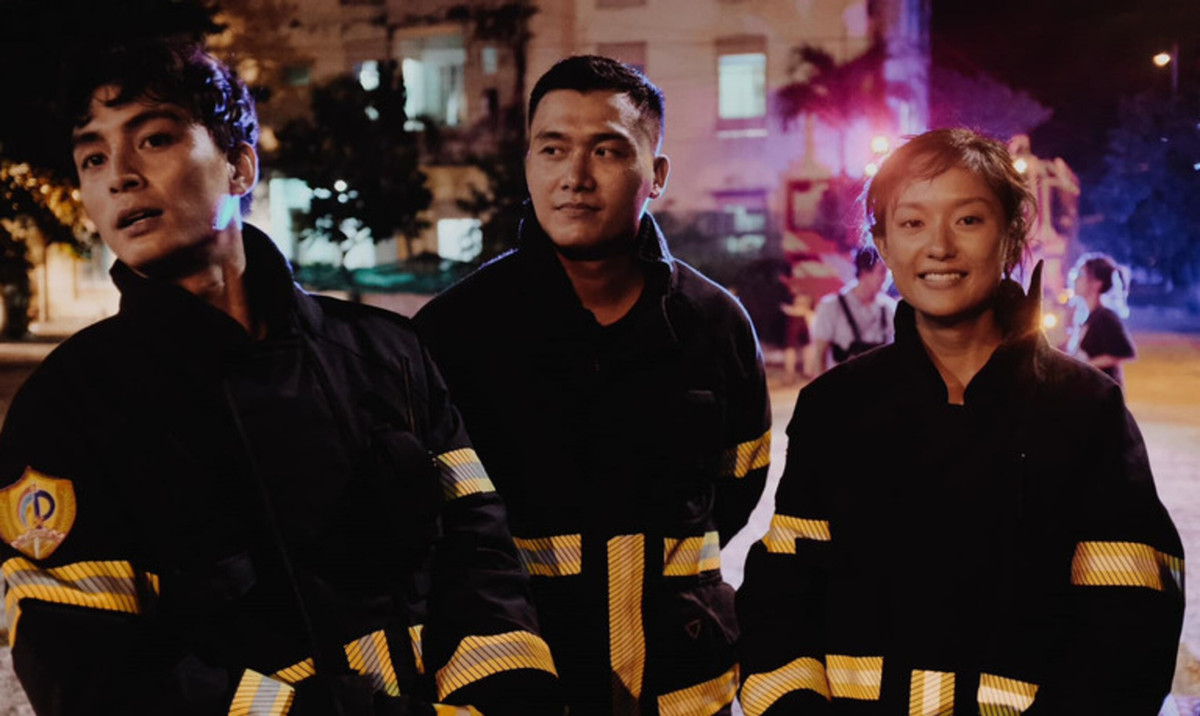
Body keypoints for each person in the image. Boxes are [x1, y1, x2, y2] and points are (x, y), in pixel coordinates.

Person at [0, 41, 559, 715]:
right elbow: (91, 671)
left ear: (240, 166)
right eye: (93, 158)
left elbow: (480, 554)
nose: (119, 175)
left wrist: (501, 701)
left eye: (153, 140)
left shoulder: (387, 354)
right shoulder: (66, 410)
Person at [737, 128, 1183, 715]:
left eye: (968, 220)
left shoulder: (1084, 410)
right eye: (912, 223)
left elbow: (1130, 621)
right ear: (882, 243)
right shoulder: (834, 407)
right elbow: (782, 599)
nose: (939, 247)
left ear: (1012, 233)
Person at [415, 55, 771, 716]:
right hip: (528, 689)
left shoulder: (714, 325)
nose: (575, 177)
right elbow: (432, 530)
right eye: (553, 149)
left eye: (607, 151)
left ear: (656, 174)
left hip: (686, 689)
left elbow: (738, 487)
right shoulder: (454, 334)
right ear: (528, 163)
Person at [807, 246, 895, 376]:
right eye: (882, 272)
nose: (887, 278)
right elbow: (820, 355)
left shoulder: (890, 308)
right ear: (864, 272)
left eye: (888, 272)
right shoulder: (831, 306)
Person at [1069, 252, 1136, 387]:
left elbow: (1125, 352)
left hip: (1103, 392)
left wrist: (1085, 366)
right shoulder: (1090, 316)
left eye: (1081, 275)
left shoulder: (1105, 317)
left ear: (1097, 284)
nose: (1075, 280)